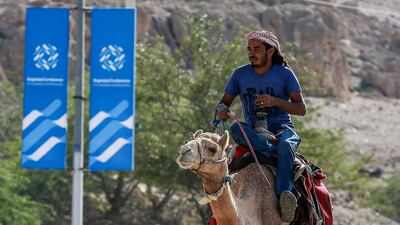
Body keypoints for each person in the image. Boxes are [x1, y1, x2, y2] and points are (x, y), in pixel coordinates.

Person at [215, 30, 306, 223]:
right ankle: (271, 152)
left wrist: (275, 101)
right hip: (253, 131)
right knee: (236, 129)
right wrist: (222, 110)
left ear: (270, 51)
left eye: (257, 49)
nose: (251, 53)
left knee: (286, 145)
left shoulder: (285, 74)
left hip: (281, 129)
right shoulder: (240, 74)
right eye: (249, 49)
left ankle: (284, 196)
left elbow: (301, 108)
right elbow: (223, 103)